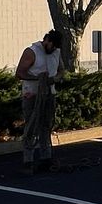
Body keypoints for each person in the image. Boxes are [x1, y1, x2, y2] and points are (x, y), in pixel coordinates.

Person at [15, 29, 65, 172]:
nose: (53, 49)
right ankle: (28, 160)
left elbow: (61, 70)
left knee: (46, 126)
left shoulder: (56, 52)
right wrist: (39, 79)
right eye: (52, 45)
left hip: (49, 94)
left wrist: (55, 79)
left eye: (55, 47)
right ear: (46, 40)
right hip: (32, 95)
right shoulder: (32, 52)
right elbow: (20, 73)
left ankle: (46, 157)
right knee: (31, 126)